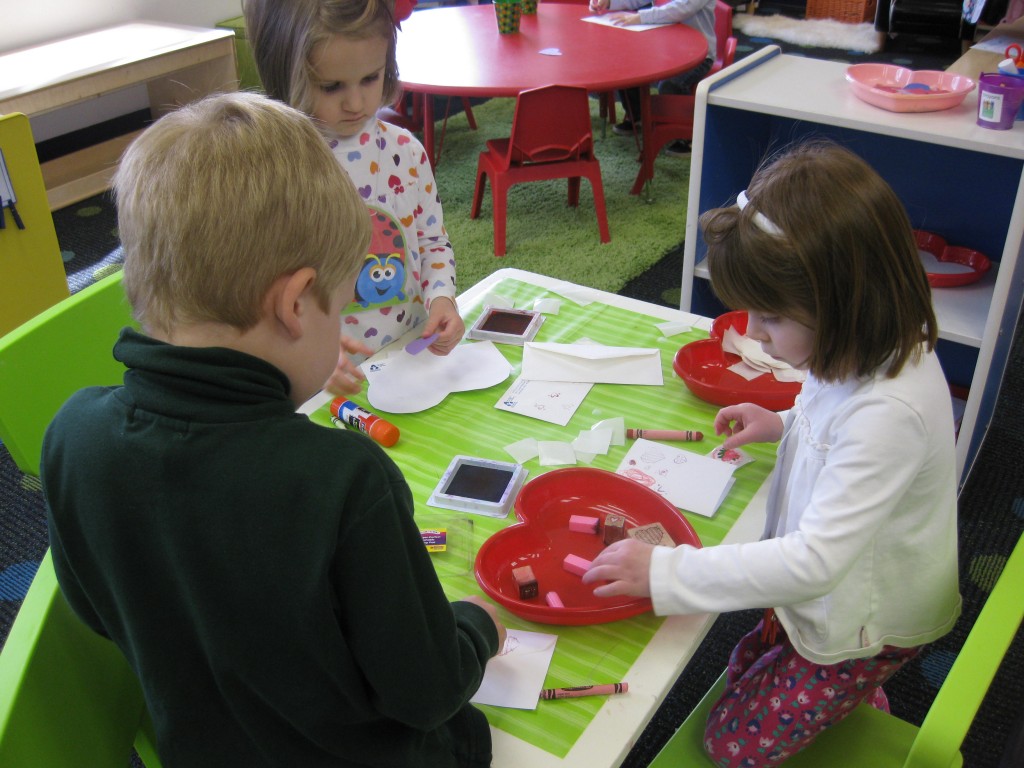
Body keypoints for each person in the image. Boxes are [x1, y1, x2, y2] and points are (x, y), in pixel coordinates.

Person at [42, 91, 505, 768]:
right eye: (341, 309)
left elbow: (93, 606)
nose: (344, 332)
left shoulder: (72, 434)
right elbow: (426, 692)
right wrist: (474, 628)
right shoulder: (345, 479)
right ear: (295, 304)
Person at [582, 141, 961, 766]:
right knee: (744, 665)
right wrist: (783, 421)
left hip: (862, 622)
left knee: (728, 744)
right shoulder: (857, 345)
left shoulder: (889, 410)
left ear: (845, 304)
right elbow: (829, 417)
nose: (752, 333)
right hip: (831, 586)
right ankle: (839, 695)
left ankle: (856, 688)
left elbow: (813, 564)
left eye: (771, 316)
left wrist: (665, 572)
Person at [243, 0, 465, 395]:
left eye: (370, 78)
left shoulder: (407, 152)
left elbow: (432, 241)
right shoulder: (280, 169)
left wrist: (442, 298)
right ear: (287, 73)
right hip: (326, 375)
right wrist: (301, 357)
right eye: (331, 87)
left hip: (410, 352)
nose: (356, 103)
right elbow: (265, 287)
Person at [588, 0, 716, 155]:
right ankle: (637, 116)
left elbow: (682, 8)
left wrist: (641, 17)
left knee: (670, 84)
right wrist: (609, 3)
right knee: (626, 66)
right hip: (662, 48)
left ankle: (687, 135)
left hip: (698, 54)